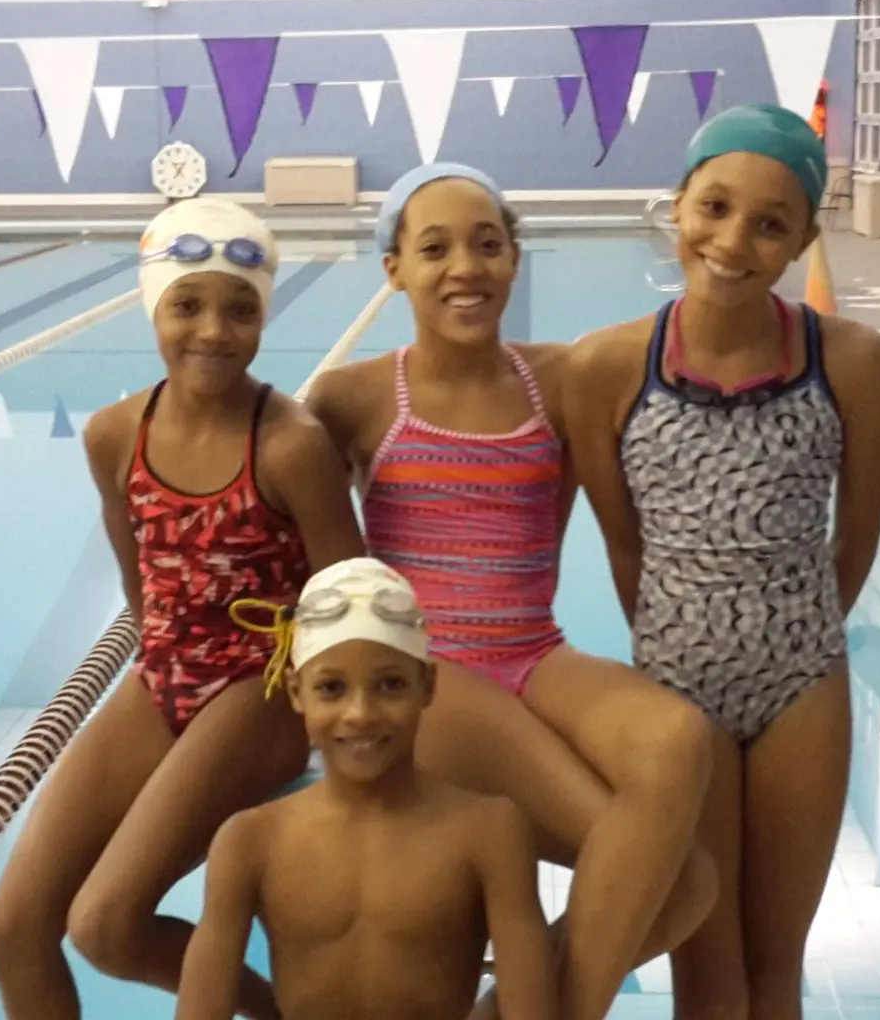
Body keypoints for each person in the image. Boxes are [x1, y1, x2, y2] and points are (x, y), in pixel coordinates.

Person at [306, 162, 718, 1020]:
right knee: (660, 874)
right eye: (436, 248)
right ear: (395, 271)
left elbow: (654, 413)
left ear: (515, 258)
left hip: (534, 651)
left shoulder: (558, 380)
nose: (466, 266)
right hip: (428, 670)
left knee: (686, 848)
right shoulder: (354, 396)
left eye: (488, 244)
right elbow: (287, 521)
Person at [0, 196, 365, 1020]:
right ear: (154, 305)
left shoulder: (290, 445)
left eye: (240, 308)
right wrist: (162, 688)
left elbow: (351, 610)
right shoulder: (115, 435)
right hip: (165, 676)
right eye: (187, 304)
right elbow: (140, 588)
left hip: (262, 686)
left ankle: (272, 1011)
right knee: (14, 926)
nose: (212, 331)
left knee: (107, 926)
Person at [564, 104, 880, 1020]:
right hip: (675, 691)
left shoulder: (852, 360)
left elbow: (857, 538)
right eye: (714, 207)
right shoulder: (606, 366)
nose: (734, 241)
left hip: (803, 682)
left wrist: (796, 631)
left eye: (770, 223)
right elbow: (620, 540)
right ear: (677, 206)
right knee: (706, 971)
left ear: (803, 240)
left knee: (775, 965)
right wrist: (678, 647)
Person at [176, 556, 557, 1020]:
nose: (360, 714)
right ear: (296, 692)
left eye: (390, 685)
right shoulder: (250, 842)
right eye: (332, 688)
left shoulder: (489, 831)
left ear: (427, 686)